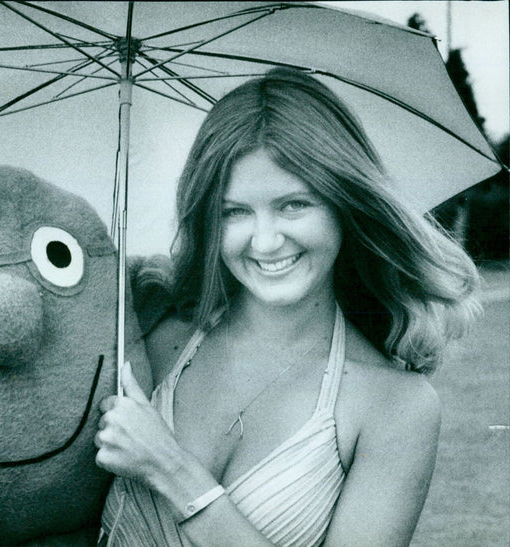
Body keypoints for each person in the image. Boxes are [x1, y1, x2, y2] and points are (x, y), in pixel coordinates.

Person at [93, 67, 481, 546]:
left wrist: (171, 471)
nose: (266, 241)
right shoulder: (157, 337)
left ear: (345, 202)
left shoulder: (395, 408)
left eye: (294, 205)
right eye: (234, 212)